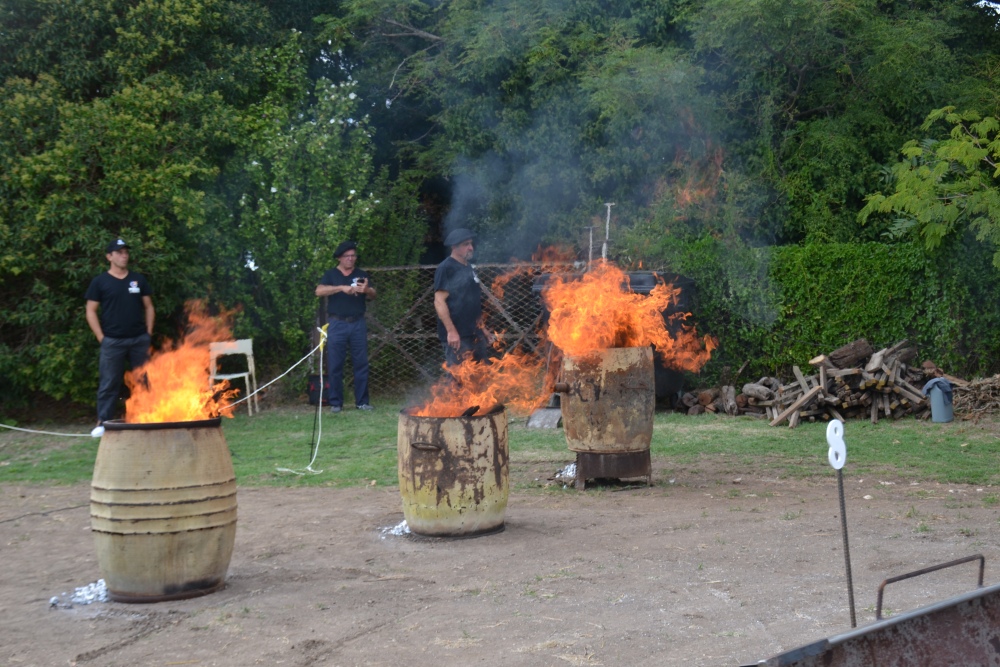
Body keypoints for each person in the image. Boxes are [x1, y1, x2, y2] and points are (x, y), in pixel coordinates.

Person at [85, 239, 155, 437]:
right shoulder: (100, 282)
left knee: (143, 380)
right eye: (119, 252)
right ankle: (103, 421)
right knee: (109, 382)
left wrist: (148, 333)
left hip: (139, 340)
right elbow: (90, 311)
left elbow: (149, 306)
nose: (124, 255)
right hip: (112, 342)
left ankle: (147, 418)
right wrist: (101, 336)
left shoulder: (138, 279)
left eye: (126, 252)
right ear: (109, 257)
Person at [315, 241, 376, 412]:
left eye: (353, 256)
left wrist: (367, 290)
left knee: (361, 363)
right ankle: (335, 403)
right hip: (337, 323)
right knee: (335, 364)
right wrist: (341, 288)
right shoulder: (331, 275)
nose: (351, 259)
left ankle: (362, 402)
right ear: (340, 258)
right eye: (347, 256)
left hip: (358, 323)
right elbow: (319, 291)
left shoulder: (361, 274)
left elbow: (373, 294)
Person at [433, 228, 492, 366]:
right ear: (454, 247)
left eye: (471, 244)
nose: (471, 248)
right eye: (466, 244)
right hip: (458, 336)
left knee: (479, 375)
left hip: (474, 332)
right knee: (458, 380)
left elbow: (473, 302)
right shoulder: (446, 268)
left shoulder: (468, 267)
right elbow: (439, 301)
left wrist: (482, 328)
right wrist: (451, 331)